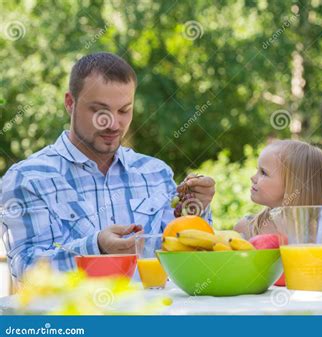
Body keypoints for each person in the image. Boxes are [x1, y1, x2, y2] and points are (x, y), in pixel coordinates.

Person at [1, 52, 215, 280]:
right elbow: (27, 270)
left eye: (124, 110)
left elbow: (187, 257)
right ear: (70, 103)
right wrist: (96, 248)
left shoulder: (156, 173)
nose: (113, 124)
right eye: (99, 110)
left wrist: (196, 209)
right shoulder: (28, 178)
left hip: (153, 314)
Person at [234, 139, 322, 238]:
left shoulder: (321, 231)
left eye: (264, 173)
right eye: (257, 170)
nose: (253, 178)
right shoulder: (247, 228)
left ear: (293, 185)